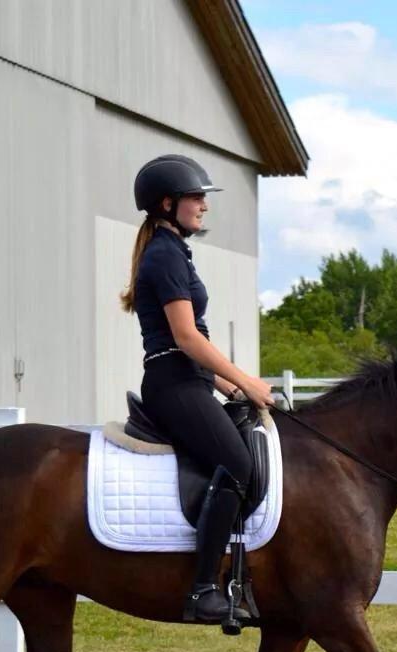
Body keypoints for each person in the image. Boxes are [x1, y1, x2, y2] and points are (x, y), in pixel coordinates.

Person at [120, 154, 275, 625]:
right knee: (238, 464)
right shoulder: (164, 254)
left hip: (190, 380)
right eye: (195, 197)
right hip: (173, 385)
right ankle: (204, 589)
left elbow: (193, 344)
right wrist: (247, 379)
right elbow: (186, 338)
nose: (203, 205)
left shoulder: (174, 250)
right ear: (167, 204)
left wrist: (231, 385)